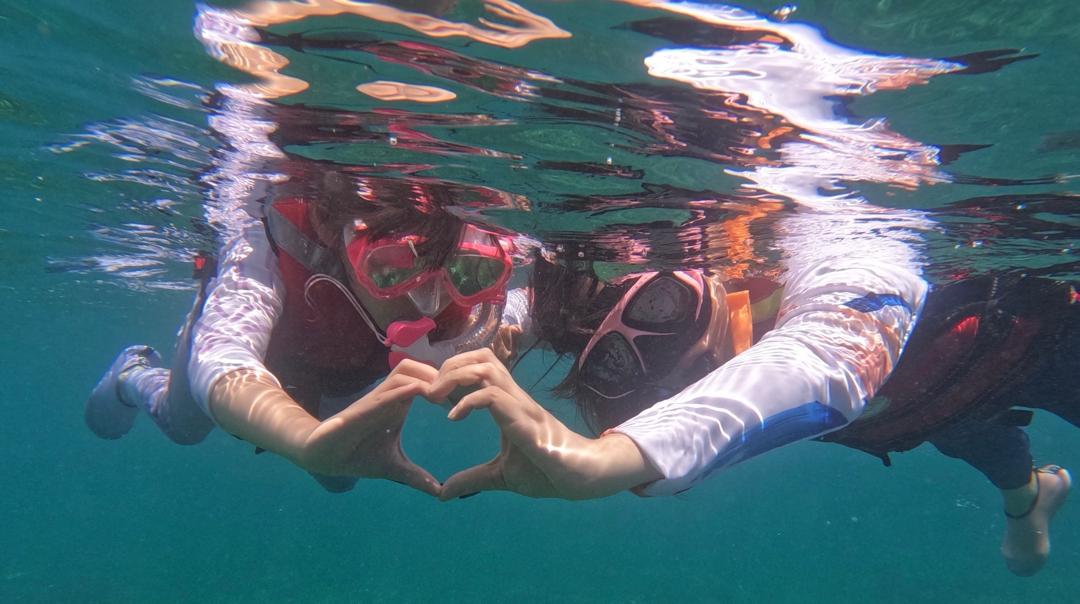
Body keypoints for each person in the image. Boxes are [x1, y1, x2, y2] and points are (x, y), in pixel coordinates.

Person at [423, 255, 1077, 576]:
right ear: (696, 380)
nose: (638, 315)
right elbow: (810, 366)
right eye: (653, 325)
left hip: (1037, 340)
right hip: (923, 410)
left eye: (653, 300)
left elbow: (829, 351)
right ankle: (1028, 498)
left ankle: (1028, 500)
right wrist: (617, 457)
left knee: (967, 422)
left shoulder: (826, 257)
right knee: (969, 435)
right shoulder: (765, 381)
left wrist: (496, 328)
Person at [85, 169, 530, 493]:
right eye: (393, 268)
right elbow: (220, 355)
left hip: (344, 371)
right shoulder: (267, 237)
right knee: (184, 424)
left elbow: (528, 303)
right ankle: (133, 374)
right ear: (331, 229)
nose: (427, 302)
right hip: (271, 352)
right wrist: (303, 441)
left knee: (341, 476)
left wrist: (496, 335)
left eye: (468, 272)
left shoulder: (469, 273)